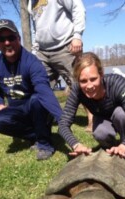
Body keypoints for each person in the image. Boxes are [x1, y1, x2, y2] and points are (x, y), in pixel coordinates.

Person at [0, 19, 63, 160]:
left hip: (37, 108)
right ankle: (39, 134)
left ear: (18, 38)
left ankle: (45, 144)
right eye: (1, 39)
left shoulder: (32, 62)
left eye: (11, 38)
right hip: (16, 110)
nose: (7, 43)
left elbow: (43, 90)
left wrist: (61, 118)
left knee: (36, 99)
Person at [59, 52, 125, 160]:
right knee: (100, 133)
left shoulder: (116, 83)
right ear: (78, 80)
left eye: (93, 79)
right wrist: (76, 145)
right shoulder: (77, 90)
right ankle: (113, 148)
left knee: (120, 114)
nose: (89, 86)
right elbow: (63, 124)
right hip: (105, 114)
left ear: (101, 74)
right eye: (83, 81)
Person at [27, 0, 93, 132]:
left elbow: (78, 8)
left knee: (80, 84)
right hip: (42, 52)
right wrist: (35, 50)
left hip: (65, 47)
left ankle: (92, 119)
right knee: (41, 88)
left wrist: (77, 35)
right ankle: (45, 121)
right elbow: (36, 28)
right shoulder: (31, 2)